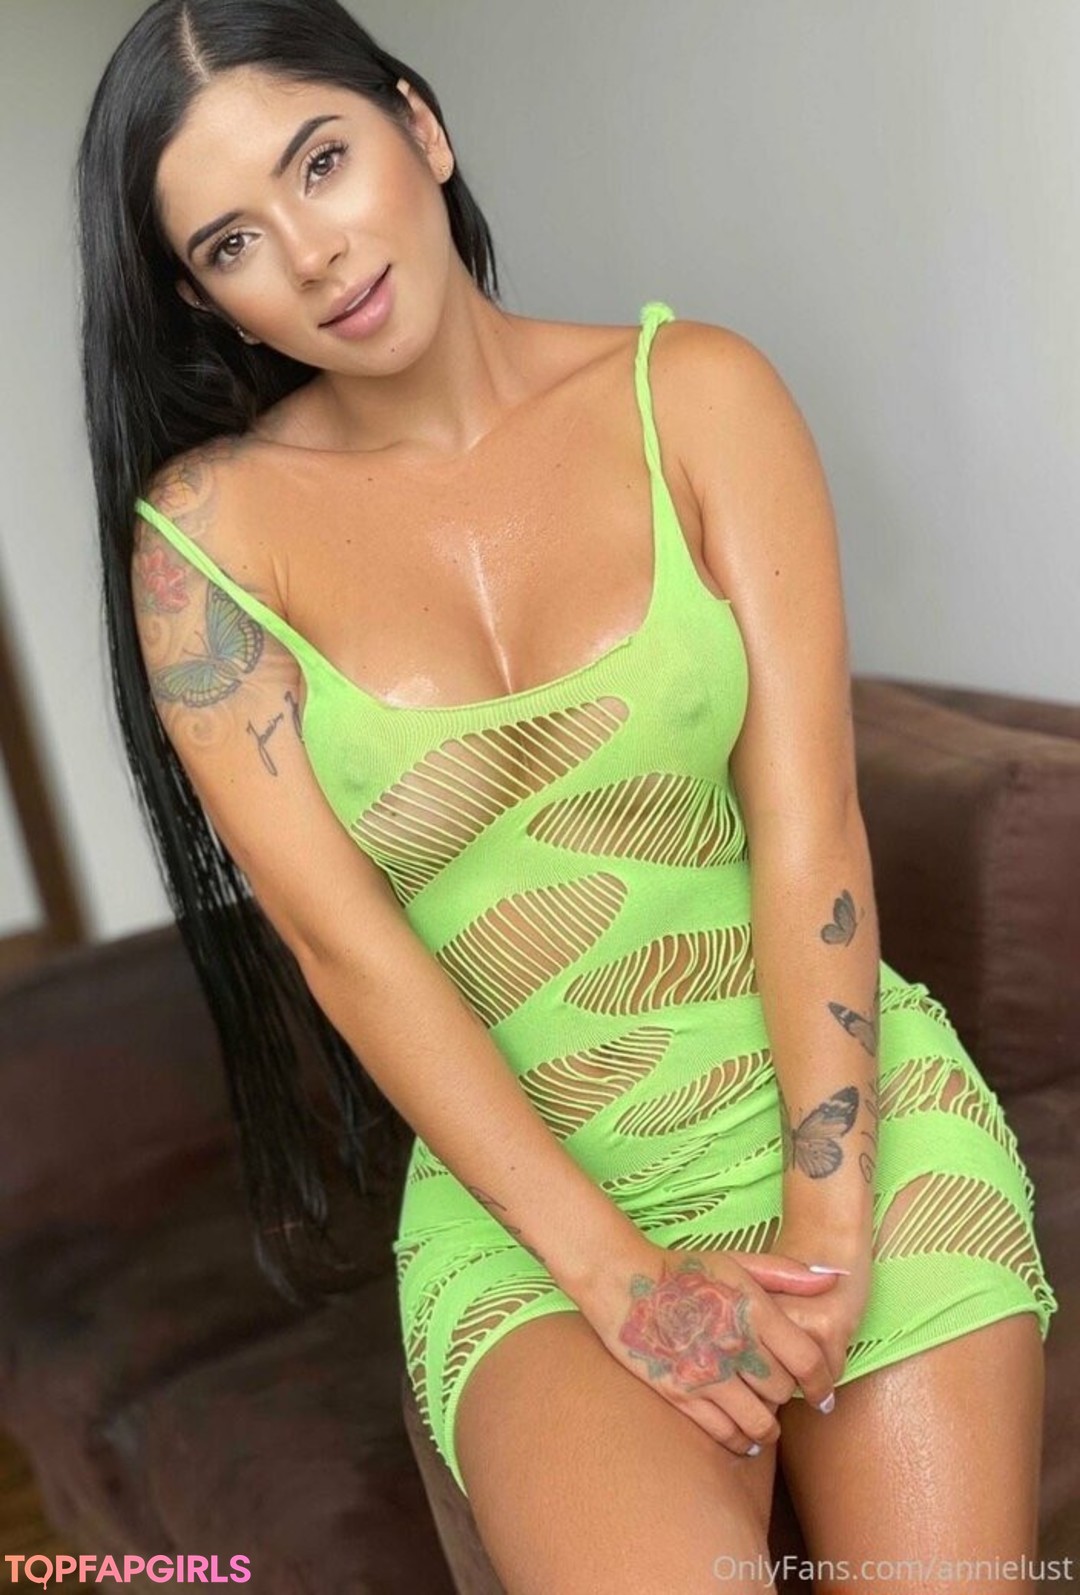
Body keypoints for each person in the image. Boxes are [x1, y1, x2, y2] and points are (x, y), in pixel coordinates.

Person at [76, 2, 1058, 1590]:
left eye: (322, 162)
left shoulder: (702, 396)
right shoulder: (206, 551)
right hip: (536, 1209)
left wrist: (830, 1213)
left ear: (421, 128)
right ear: (205, 299)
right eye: (235, 241)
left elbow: (809, 826)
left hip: (834, 1107)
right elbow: (346, 952)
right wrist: (621, 1280)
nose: (315, 254)